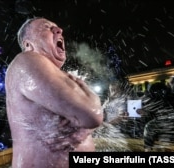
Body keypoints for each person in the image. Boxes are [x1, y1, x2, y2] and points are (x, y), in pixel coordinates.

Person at [5, 17, 103, 168]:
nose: (59, 30)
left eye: (56, 27)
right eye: (46, 27)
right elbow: (92, 114)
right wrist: (84, 90)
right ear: (28, 45)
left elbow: (87, 117)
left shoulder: (49, 79)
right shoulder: (26, 59)